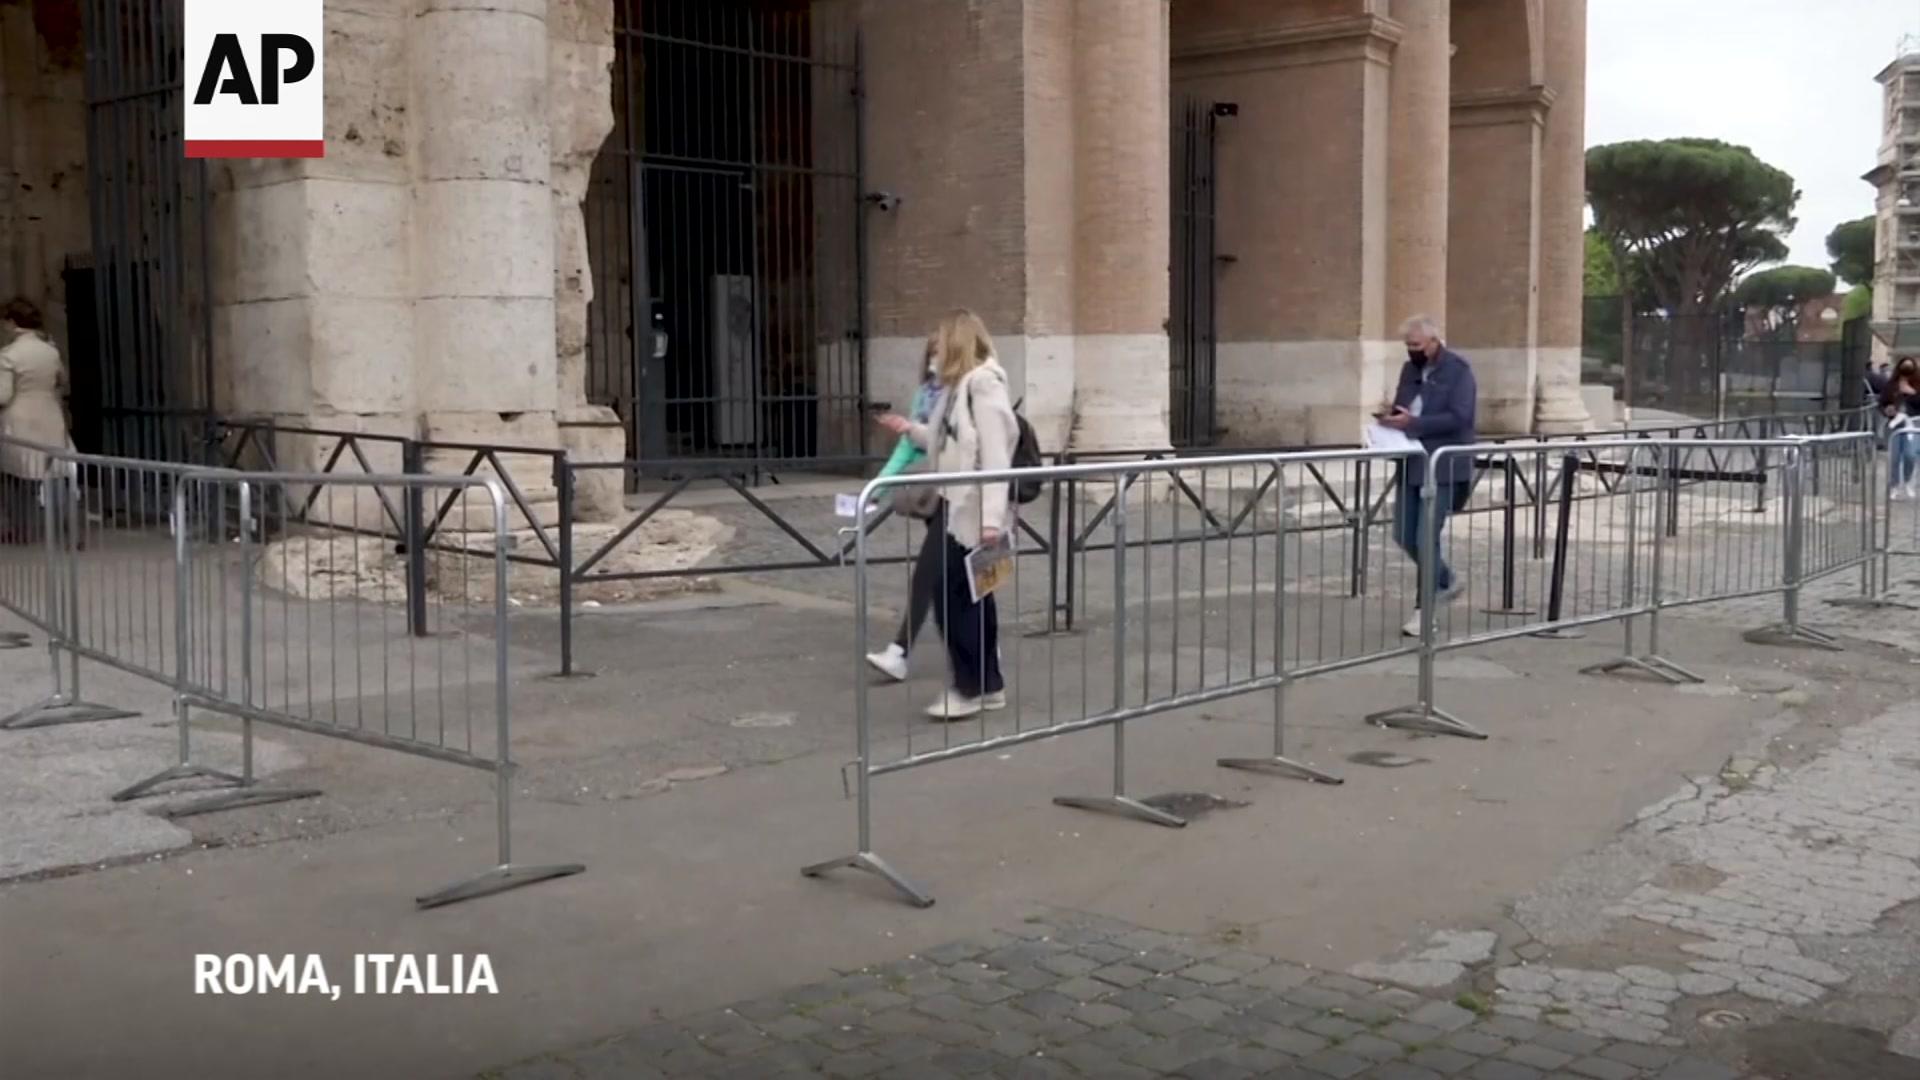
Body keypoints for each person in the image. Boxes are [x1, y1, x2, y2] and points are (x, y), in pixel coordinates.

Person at [876, 310, 1017, 719]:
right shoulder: (956, 389)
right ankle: (987, 684)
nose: (933, 355)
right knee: (971, 596)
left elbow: (995, 456)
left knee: (953, 596)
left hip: (973, 513)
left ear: (956, 345)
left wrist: (991, 519)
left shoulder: (983, 385)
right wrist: (910, 430)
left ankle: (969, 686)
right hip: (957, 507)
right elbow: (945, 441)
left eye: (939, 346)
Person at [1378, 314, 1477, 637]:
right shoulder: (1410, 369)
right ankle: (1446, 579)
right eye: (1408, 346)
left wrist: (1415, 424)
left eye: (1417, 345)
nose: (1412, 351)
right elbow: (1404, 404)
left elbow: (1461, 416)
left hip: (1444, 465)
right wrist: (1392, 418)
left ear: (1434, 342)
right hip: (1412, 461)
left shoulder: (1458, 371)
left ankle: (1425, 611)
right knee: (1404, 534)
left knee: (1426, 536)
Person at [866, 336, 944, 681]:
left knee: (931, 574)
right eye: (931, 354)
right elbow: (907, 447)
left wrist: (914, 429)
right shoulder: (926, 393)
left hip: (961, 494)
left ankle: (900, 651)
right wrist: (879, 485)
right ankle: (982, 647)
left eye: (941, 353)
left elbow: (954, 442)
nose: (934, 361)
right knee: (952, 579)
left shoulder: (968, 393)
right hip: (931, 493)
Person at [0, 298, 74, 544]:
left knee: (14, 478)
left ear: (12, 322)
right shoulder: (51, 351)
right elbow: (61, 381)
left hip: (19, 420)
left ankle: (22, 529)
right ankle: (68, 529)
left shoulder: (8, 355)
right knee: (56, 472)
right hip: (50, 416)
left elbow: (3, 395)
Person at [1881, 357, 1920, 499]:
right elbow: (1883, 402)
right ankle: (1894, 485)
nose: (1907, 368)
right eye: (1904, 365)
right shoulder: (1891, 385)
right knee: (1894, 458)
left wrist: (1912, 392)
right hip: (1895, 425)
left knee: (1910, 455)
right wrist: (1886, 409)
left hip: (1913, 424)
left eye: (1910, 366)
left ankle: (1908, 481)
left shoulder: (1917, 384)